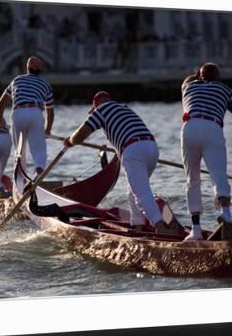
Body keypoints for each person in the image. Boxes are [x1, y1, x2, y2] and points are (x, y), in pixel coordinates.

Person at [63, 91, 170, 233]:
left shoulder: (101, 110)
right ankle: (137, 226)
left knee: (141, 194)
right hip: (151, 148)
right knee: (133, 191)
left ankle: (162, 228)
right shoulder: (125, 108)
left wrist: (69, 141)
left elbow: (80, 135)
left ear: (96, 106)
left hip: (133, 150)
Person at [181, 62, 232, 240]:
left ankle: (195, 230)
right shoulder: (225, 90)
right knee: (219, 174)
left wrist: (196, 76)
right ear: (218, 77)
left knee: (192, 178)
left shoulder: (188, 86)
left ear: (199, 76)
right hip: (213, 127)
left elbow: (187, 80)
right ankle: (225, 213)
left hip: (190, 127)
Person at [0, 56, 54, 176]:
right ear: (40, 70)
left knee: (19, 150)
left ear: (27, 68)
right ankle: (38, 172)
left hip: (18, 113)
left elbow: (1, 102)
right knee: (39, 149)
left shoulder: (16, 80)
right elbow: (50, 112)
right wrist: (47, 130)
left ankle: (20, 179)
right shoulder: (46, 85)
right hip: (36, 112)